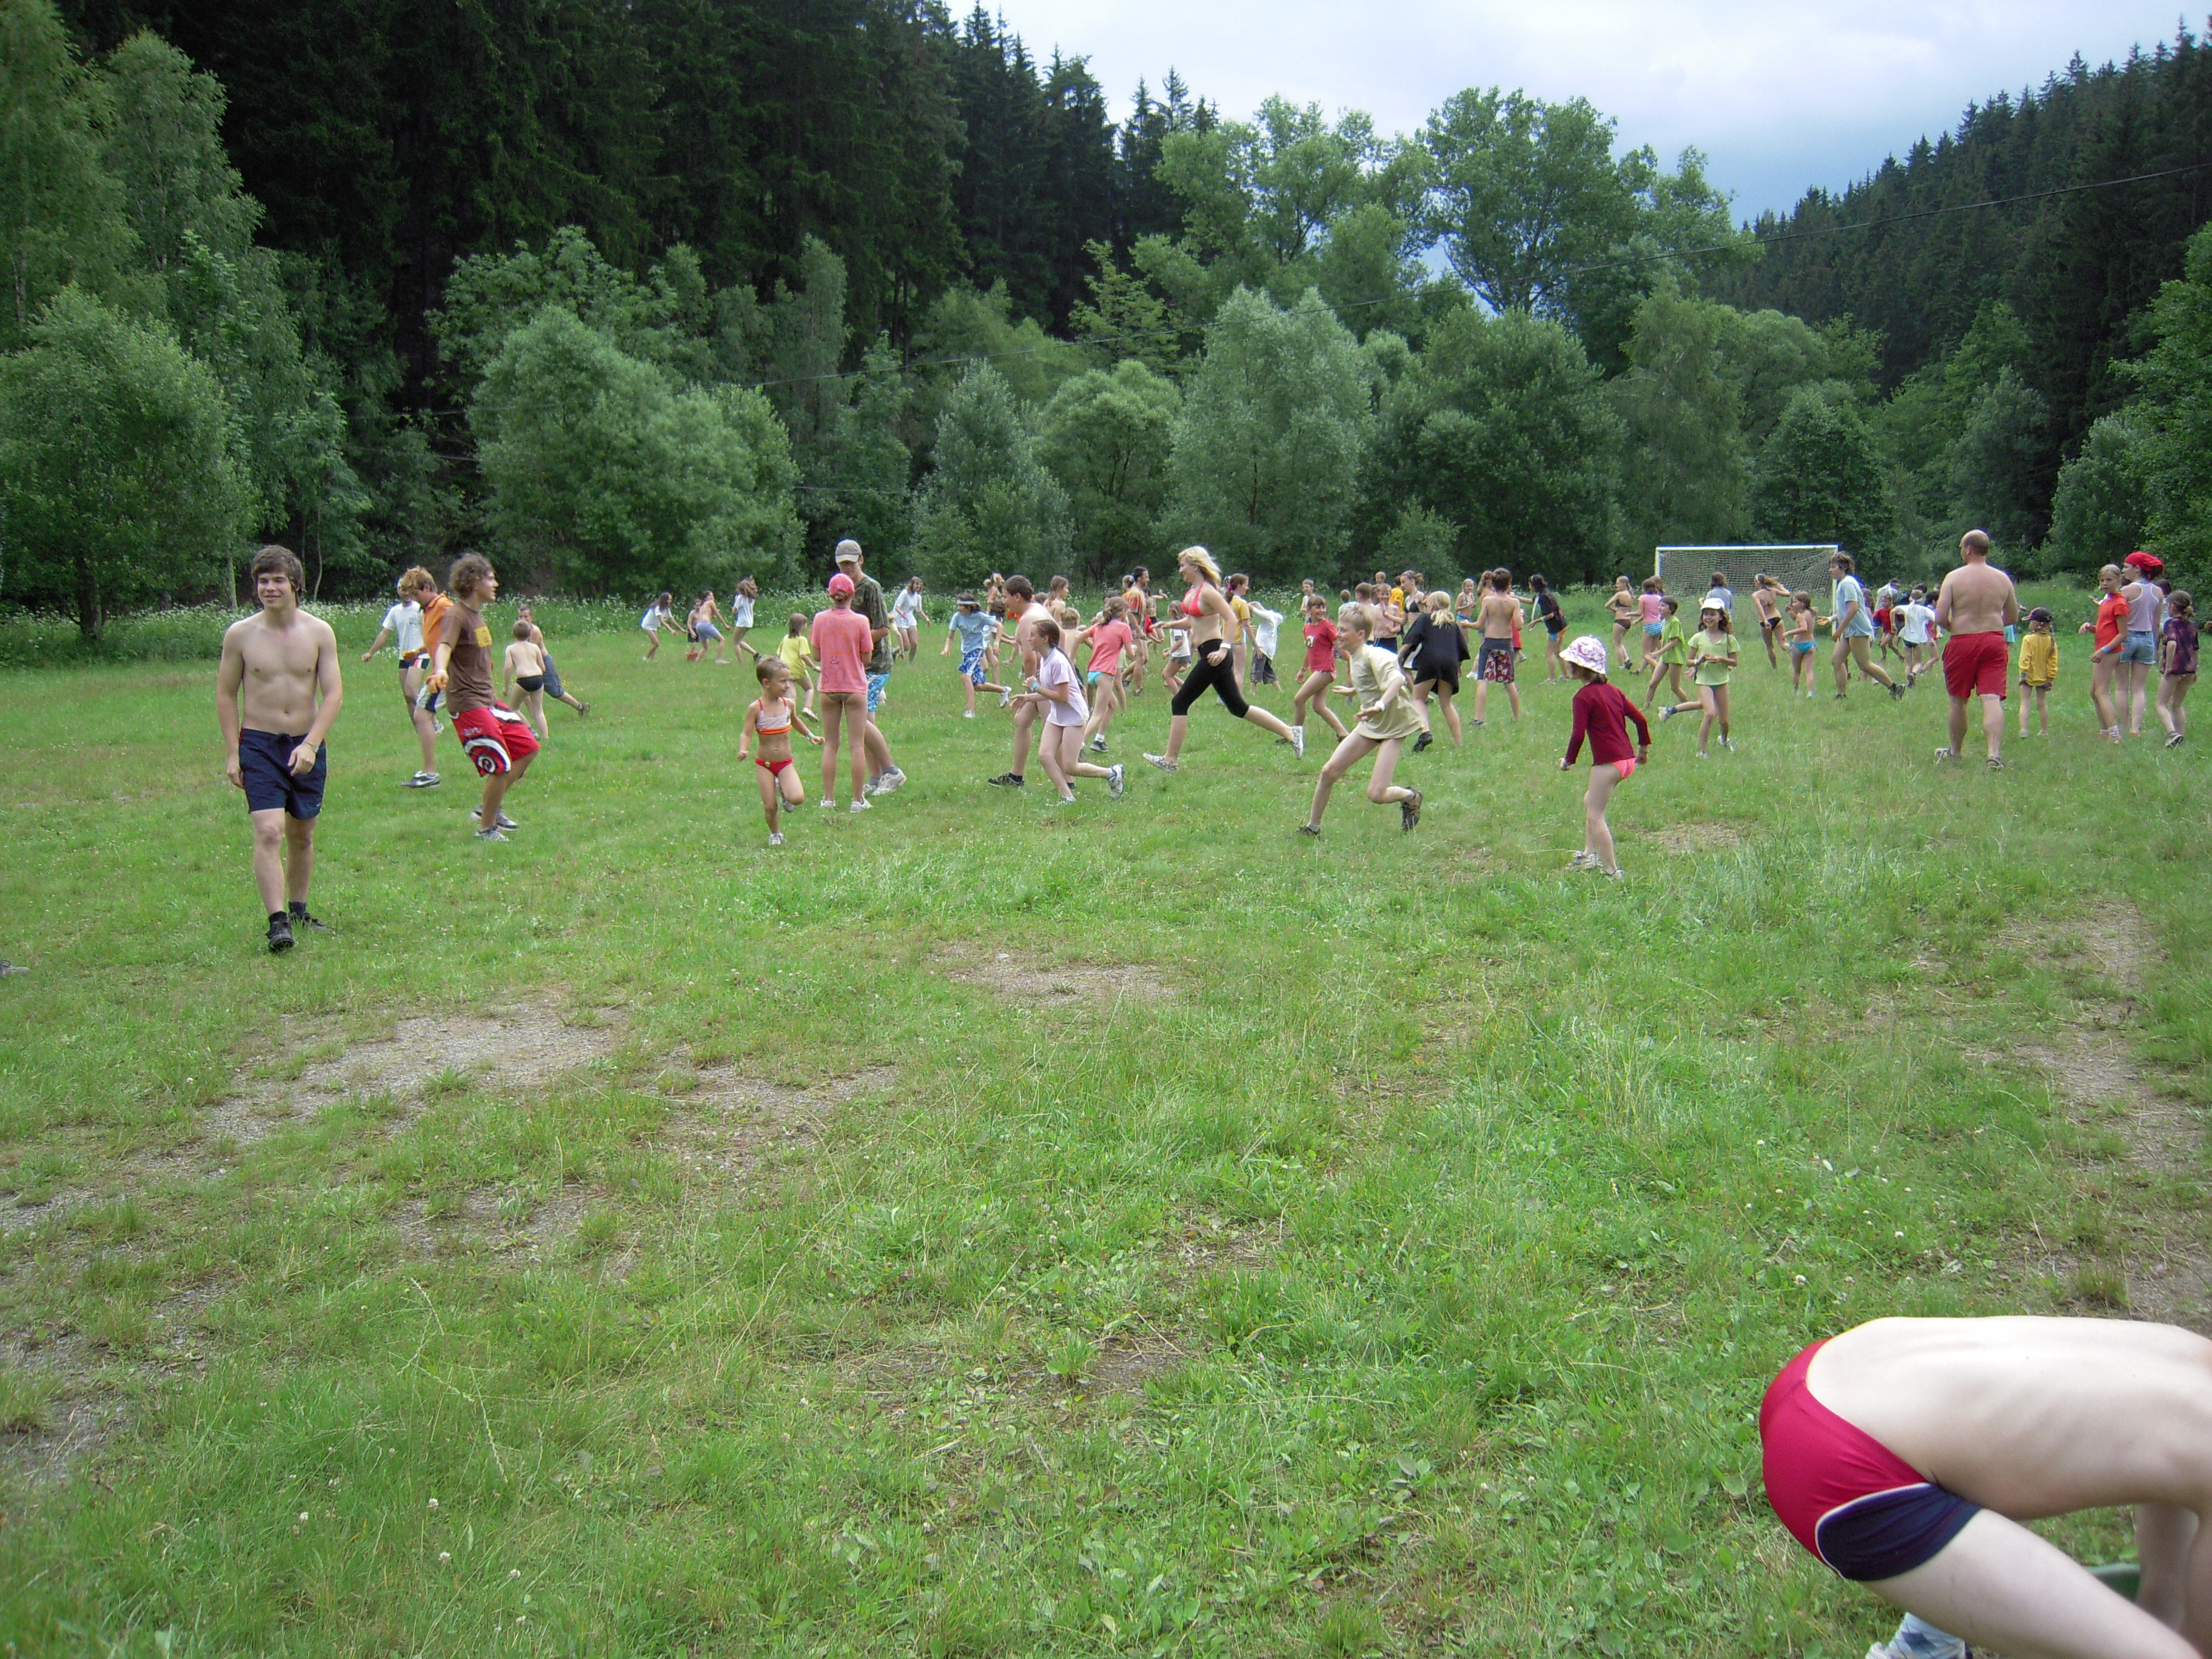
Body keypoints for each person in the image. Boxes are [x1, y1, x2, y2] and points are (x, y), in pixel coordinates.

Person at [1761, 1314, 2212, 1659]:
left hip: (1834, 1371)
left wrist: (2162, 1612)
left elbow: (2175, 1462)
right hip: (1844, 1467)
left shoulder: (2193, 1356)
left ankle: (1927, 1645)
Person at [217, 545, 344, 951]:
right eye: (262, 581)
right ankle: (277, 924)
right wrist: (233, 752)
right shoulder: (241, 634)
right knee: (269, 831)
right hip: (259, 744)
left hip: (305, 742)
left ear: (296, 585)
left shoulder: (319, 632)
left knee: (301, 835)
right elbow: (226, 694)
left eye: (277, 580)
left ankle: (299, 910)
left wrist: (311, 744)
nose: (269, 588)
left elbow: (334, 694)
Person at [1143, 548, 1305, 772]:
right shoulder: (1193, 591)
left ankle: (1170, 760)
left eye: (1183, 565)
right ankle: (1291, 733)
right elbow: (1193, 621)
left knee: (1179, 702)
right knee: (1238, 707)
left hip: (1215, 653)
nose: (1180, 570)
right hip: (1209, 652)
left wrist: (1224, 649)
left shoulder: (1208, 592)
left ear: (1196, 566)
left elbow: (1231, 619)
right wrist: (1170, 624)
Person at [425, 553, 538, 841]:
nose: (495, 583)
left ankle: (489, 807)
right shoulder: (456, 615)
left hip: (487, 699)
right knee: (499, 763)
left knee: (528, 746)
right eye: (490, 578)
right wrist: (440, 669)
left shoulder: (476, 615)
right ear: (474, 582)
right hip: (467, 703)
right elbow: (445, 646)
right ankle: (486, 829)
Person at [1298, 606, 1421, 836]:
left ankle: (1410, 796)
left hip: (1394, 725)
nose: (1338, 634)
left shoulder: (1376, 655)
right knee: (1329, 771)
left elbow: (1397, 680)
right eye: (1339, 629)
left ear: (1361, 634)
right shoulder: (1355, 656)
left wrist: (1380, 705)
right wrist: (1355, 690)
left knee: (1376, 794)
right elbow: (1371, 680)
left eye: (1344, 630)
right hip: (1371, 723)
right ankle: (1312, 829)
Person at [1558, 635, 1648, 879]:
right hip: (1627, 761)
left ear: (1582, 667)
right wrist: (1643, 751)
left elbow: (1578, 734)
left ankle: (1612, 871)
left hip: (1608, 764)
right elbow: (1641, 720)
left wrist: (1568, 761)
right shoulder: (1614, 691)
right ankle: (1590, 854)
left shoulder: (1583, 697)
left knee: (1595, 816)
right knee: (1590, 800)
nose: (1569, 666)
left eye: (1573, 663)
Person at [1931, 530, 2020, 768]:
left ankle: (1955, 752)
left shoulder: (1954, 578)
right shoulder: (2002, 578)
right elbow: (2012, 617)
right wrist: (1990, 626)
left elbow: (1940, 616)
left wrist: (1955, 627)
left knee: (1958, 700)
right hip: (1994, 641)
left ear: (1968, 549)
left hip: (1962, 641)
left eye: (1962, 547)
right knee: (1991, 698)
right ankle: (1994, 755)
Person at [1019, 616, 1124, 804]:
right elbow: (1051, 693)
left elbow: (1063, 697)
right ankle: (1067, 797)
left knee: (1070, 766)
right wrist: (1028, 698)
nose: (1028, 639)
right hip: (1058, 714)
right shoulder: (1045, 660)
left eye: (1033, 635)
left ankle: (1111, 773)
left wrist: (1036, 687)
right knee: (1045, 756)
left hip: (1073, 715)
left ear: (1045, 639)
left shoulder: (1057, 662)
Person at [835, 541, 907, 795]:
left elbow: (883, 628)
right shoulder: (839, 588)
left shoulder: (870, 587)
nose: (847, 567)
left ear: (861, 561)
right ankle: (876, 778)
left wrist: (854, 643)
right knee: (864, 719)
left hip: (875, 663)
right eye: (842, 563)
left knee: (862, 720)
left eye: (851, 563)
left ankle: (891, 772)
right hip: (854, 663)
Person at [361, 568, 440, 788]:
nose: (406, 594)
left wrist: (426, 650)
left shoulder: (422, 608)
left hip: (420, 655)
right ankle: (422, 728)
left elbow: (433, 632)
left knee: (412, 691)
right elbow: (385, 633)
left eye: (409, 591)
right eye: (402, 590)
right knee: (408, 696)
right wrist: (371, 652)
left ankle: (432, 722)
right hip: (405, 656)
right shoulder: (395, 612)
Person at [808, 572, 874, 813]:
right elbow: (866, 658)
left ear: (831, 595)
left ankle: (828, 799)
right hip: (855, 687)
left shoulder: (819, 619)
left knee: (831, 745)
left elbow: (817, 655)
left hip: (828, 687)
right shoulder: (861, 621)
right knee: (856, 745)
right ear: (852, 595)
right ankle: (857, 800)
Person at [737, 655, 820, 845]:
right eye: (782, 682)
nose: (787, 686)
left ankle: (784, 790)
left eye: (788, 681)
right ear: (766, 683)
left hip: (785, 763)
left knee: (797, 798)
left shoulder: (788, 704)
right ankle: (775, 834)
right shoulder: (756, 708)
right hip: (764, 764)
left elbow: (796, 721)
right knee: (770, 806)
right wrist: (743, 749)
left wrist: (810, 736)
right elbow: (747, 733)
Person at [987, 576, 1055, 788]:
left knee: (1052, 728)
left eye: (1006, 596)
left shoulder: (1028, 619)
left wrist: (1031, 689)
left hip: (1045, 680)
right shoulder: (1039, 609)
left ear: (1017, 596)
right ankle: (1016, 777)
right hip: (1045, 676)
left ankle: (1069, 781)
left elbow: (1029, 658)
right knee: (1022, 721)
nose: (1004, 602)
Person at [1656, 600, 1737, 756]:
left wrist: (1721, 659)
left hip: (1721, 682)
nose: (1709, 617)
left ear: (1721, 617)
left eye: (1713, 614)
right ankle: (1701, 752)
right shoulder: (1698, 638)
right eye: (1706, 614)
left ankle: (1724, 740)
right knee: (1710, 713)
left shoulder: (1729, 639)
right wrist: (1698, 662)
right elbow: (1689, 661)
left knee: (1724, 721)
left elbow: (1734, 662)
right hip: (1704, 681)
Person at [1823, 553, 1906, 701]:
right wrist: (1831, 619)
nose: (1830, 570)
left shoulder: (1848, 583)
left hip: (1858, 630)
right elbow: (1845, 610)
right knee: (1837, 660)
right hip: (1849, 630)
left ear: (1843, 567)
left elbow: (1853, 608)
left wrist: (1839, 630)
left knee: (1864, 664)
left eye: (1833, 567)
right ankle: (1841, 695)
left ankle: (1894, 687)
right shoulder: (1844, 583)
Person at [1401, 589, 1469, 750]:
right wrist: (1459, 667)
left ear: (1431, 605)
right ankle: (1459, 744)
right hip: (1450, 664)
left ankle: (1425, 732)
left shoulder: (1425, 619)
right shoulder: (1453, 624)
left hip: (1430, 662)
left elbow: (1411, 640)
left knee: (1418, 698)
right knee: (1447, 704)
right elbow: (1461, 648)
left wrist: (1400, 655)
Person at [2117, 551, 2168, 738]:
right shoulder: (2158, 592)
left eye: (2126, 567)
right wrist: (2154, 645)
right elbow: (2156, 623)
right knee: (2139, 688)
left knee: (2121, 686)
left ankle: (2123, 726)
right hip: (2147, 639)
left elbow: (2117, 618)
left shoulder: (2126, 591)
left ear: (2137, 569)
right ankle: (2135, 729)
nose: (2124, 571)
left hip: (2127, 638)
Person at [1290, 594, 1350, 748]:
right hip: (1317, 670)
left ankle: (1295, 736)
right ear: (1309, 609)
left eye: (1323, 607)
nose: (1322, 610)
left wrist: (1352, 661)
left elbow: (1339, 646)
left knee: (1299, 699)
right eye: (1318, 607)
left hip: (1325, 670)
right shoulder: (1307, 628)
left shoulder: (1327, 626)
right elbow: (1309, 650)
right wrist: (1302, 670)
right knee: (1318, 706)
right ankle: (1344, 734)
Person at [1078, 596, 1136, 753]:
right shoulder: (1124, 628)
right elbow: (1130, 655)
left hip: (1093, 672)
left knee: (1112, 705)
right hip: (1106, 674)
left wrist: (1071, 657)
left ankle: (1099, 740)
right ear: (1123, 612)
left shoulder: (1099, 626)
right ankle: (1079, 745)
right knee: (1098, 714)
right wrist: (1136, 652)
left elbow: (1078, 637)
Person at [515, 602, 588, 723]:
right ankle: (535, 717)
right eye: (520, 617)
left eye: (526, 617)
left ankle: (581, 707)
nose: (523, 619)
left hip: (543, 662)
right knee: (524, 690)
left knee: (555, 691)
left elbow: (530, 651)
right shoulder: (520, 631)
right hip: (531, 663)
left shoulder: (534, 631)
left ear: (532, 618)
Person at [2082, 563, 2131, 740]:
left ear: (2119, 581)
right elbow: (2105, 629)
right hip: (2102, 649)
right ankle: (2104, 731)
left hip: (2110, 651)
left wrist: (2104, 650)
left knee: (2101, 691)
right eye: (2102, 580)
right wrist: (2091, 628)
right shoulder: (2106, 602)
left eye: (2109, 580)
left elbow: (2122, 634)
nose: (2104, 584)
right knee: (2094, 691)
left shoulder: (2120, 603)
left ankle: (2115, 733)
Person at [1471, 571, 1522, 727]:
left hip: (1489, 643)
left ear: (1493, 584)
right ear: (1509, 584)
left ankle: (1478, 719)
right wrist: (1520, 615)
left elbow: (1480, 624)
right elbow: (1519, 626)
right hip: (1505, 644)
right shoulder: (1514, 602)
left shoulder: (1487, 601)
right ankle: (1516, 718)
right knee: (1509, 682)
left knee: (1483, 680)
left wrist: (1467, 624)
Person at [942, 592, 1003, 719]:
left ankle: (971, 711)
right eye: (958, 605)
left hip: (978, 649)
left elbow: (999, 626)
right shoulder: (957, 617)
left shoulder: (980, 616)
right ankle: (1004, 690)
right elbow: (950, 637)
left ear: (969, 607)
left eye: (961, 606)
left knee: (965, 677)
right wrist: (946, 649)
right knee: (978, 685)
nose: (958, 608)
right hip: (966, 651)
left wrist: (997, 643)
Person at [2157, 588, 2197, 747]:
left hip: (2174, 670)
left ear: (2172, 607)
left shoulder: (2171, 624)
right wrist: (2195, 668)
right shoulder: (2192, 626)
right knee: (2177, 704)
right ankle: (2180, 735)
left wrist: (2168, 666)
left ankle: (2172, 733)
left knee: (2160, 704)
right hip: (2189, 669)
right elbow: (2196, 648)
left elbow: (2172, 644)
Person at [500, 621, 550, 740]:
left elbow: (508, 668)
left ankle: (530, 730)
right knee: (539, 711)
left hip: (524, 679)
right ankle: (546, 737)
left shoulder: (511, 649)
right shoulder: (535, 647)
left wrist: (506, 687)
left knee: (513, 708)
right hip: (538, 678)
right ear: (530, 634)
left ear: (513, 634)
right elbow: (543, 668)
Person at [2017, 607, 2058, 738]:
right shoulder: (2051, 640)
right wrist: (2050, 677)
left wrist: (2023, 674)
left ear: (2036, 624)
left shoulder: (2028, 639)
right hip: (2043, 677)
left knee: (2025, 702)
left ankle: (2024, 730)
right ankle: (2044, 731)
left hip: (2028, 676)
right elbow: (2053, 661)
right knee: (2042, 703)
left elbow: (2025, 658)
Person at [1646, 596, 1690, 705]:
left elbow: (1674, 641)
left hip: (1675, 658)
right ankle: (1646, 707)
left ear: (1671, 609)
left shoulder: (1675, 622)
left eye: (1663, 606)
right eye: (1659, 605)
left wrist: (1658, 652)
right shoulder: (1664, 622)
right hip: (1665, 658)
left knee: (1675, 688)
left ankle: (1689, 706)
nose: (1659, 608)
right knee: (1653, 684)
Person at [777, 613, 819, 719]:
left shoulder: (786, 638)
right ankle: (807, 708)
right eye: (805, 624)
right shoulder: (802, 640)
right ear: (801, 626)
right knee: (809, 688)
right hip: (798, 669)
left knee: (791, 695)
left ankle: (789, 715)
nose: (807, 626)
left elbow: (779, 653)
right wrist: (813, 667)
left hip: (785, 669)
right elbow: (803, 655)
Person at [1530, 574, 1567, 682]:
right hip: (1562, 625)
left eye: (1530, 584)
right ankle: (1565, 675)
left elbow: (1550, 615)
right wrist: (1517, 598)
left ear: (1534, 585)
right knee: (1558, 651)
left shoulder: (1543, 597)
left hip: (1555, 628)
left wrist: (1535, 621)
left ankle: (1552, 679)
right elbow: (1532, 602)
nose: (1529, 587)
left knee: (1549, 653)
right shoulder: (1545, 593)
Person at [1897, 591, 1940, 685]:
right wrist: (1931, 636)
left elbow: (1894, 611)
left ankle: (1909, 683)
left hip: (1907, 638)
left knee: (1908, 664)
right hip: (1919, 638)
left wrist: (1893, 624)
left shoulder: (1908, 608)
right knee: (1920, 662)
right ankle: (1917, 673)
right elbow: (1930, 623)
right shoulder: (1926, 611)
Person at [1247, 592, 1283, 688]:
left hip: (1261, 647)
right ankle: (1279, 690)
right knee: (1268, 670)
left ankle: (1252, 692)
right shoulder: (1274, 616)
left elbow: (1257, 611)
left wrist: (1242, 603)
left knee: (1256, 670)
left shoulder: (1267, 618)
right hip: (1269, 649)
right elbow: (1280, 618)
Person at [1787, 592, 1820, 698]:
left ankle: (1796, 692)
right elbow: (1799, 621)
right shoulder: (1811, 613)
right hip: (1810, 644)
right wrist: (1791, 613)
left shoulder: (1801, 615)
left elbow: (1803, 628)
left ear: (1802, 603)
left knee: (1797, 671)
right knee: (1809, 671)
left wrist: (1788, 633)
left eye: (1795, 602)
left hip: (1798, 645)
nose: (1792, 604)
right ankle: (1810, 692)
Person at [1607, 576, 1641, 672]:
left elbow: (1607, 605)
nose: (1616, 586)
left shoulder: (1619, 594)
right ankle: (1627, 659)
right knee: (1619, 642)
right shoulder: (1630, 595)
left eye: (1618, 584)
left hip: (1620, 621)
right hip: (1628, 622)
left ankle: (1621, 666)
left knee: (1617, 644)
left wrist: (1613, 610)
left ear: (1624, 584)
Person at [1751, 574, 1784, 668]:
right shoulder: (1773, 590)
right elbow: (1788, 594)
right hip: (1777, 617)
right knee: (1783, 644)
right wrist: (1781, 587)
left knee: (1770, 646)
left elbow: (1760, 607)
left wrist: (1765, 620)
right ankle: (1794, 654)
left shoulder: (1756, 595)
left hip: (1766, 621)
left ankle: (1775, 667)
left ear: (1758, 583)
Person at [891, 575, 927, 662]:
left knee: (914, 643)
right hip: (901, 620)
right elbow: (897, 607)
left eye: (920, 584)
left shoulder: (918, 597)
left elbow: (919, 611)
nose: (919, 586)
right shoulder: (905, 594)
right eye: (917, 584)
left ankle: (910, 663)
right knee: (907, 646)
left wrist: (927, 619)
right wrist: (902, 613)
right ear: (912, 585)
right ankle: (893, 652)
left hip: (910, 620)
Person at [726, 575, 761, 661]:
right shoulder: (752, 598)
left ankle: (741, 663)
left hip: (742, 622)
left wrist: (735, 603)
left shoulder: (740, 598)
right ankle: (756, 655)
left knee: (735, 643)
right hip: (749, 622)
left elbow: (734, 611)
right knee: (739, 641)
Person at [640, 592, 679, 660]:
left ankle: (651, 660)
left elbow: (671, 620)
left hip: (654, 626)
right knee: (656, 644)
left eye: (671, 600)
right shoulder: (657, 608)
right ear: (664, 600)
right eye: (669, 600)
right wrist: (671, 630)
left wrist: (682, 629)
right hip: (647, 625)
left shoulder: (667, 608)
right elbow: (662, 621)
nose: (670, 601)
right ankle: (645, 658)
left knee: (655, 644)